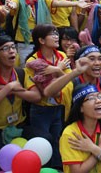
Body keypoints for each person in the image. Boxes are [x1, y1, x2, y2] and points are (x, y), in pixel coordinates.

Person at [0, 35, 43, 172]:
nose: (12, 51)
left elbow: (36, 96)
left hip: (19, 125)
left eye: (13, 47)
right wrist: (9, 87)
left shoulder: (21, 73)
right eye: (6, 48)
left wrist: (11, 90)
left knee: (43, 142)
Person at [25, 24, 72, 168]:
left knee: (58, 141)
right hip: (41, 110)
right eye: (52, 34)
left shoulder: (62, 56)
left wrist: (56, 71)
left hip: (60, 106)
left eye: (56, 33)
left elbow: (69, 81)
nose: (57, 37)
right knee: (43, 142)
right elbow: (40, 92)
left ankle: (57, 169)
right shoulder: (32, 61)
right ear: (41, 40)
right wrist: (59, 70)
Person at [59, 83, 101, 173]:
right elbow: (77, 172)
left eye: (99, 96)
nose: (98, 101)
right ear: (80, 108)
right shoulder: (70, 133)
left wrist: (93, 148)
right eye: (91, 98)